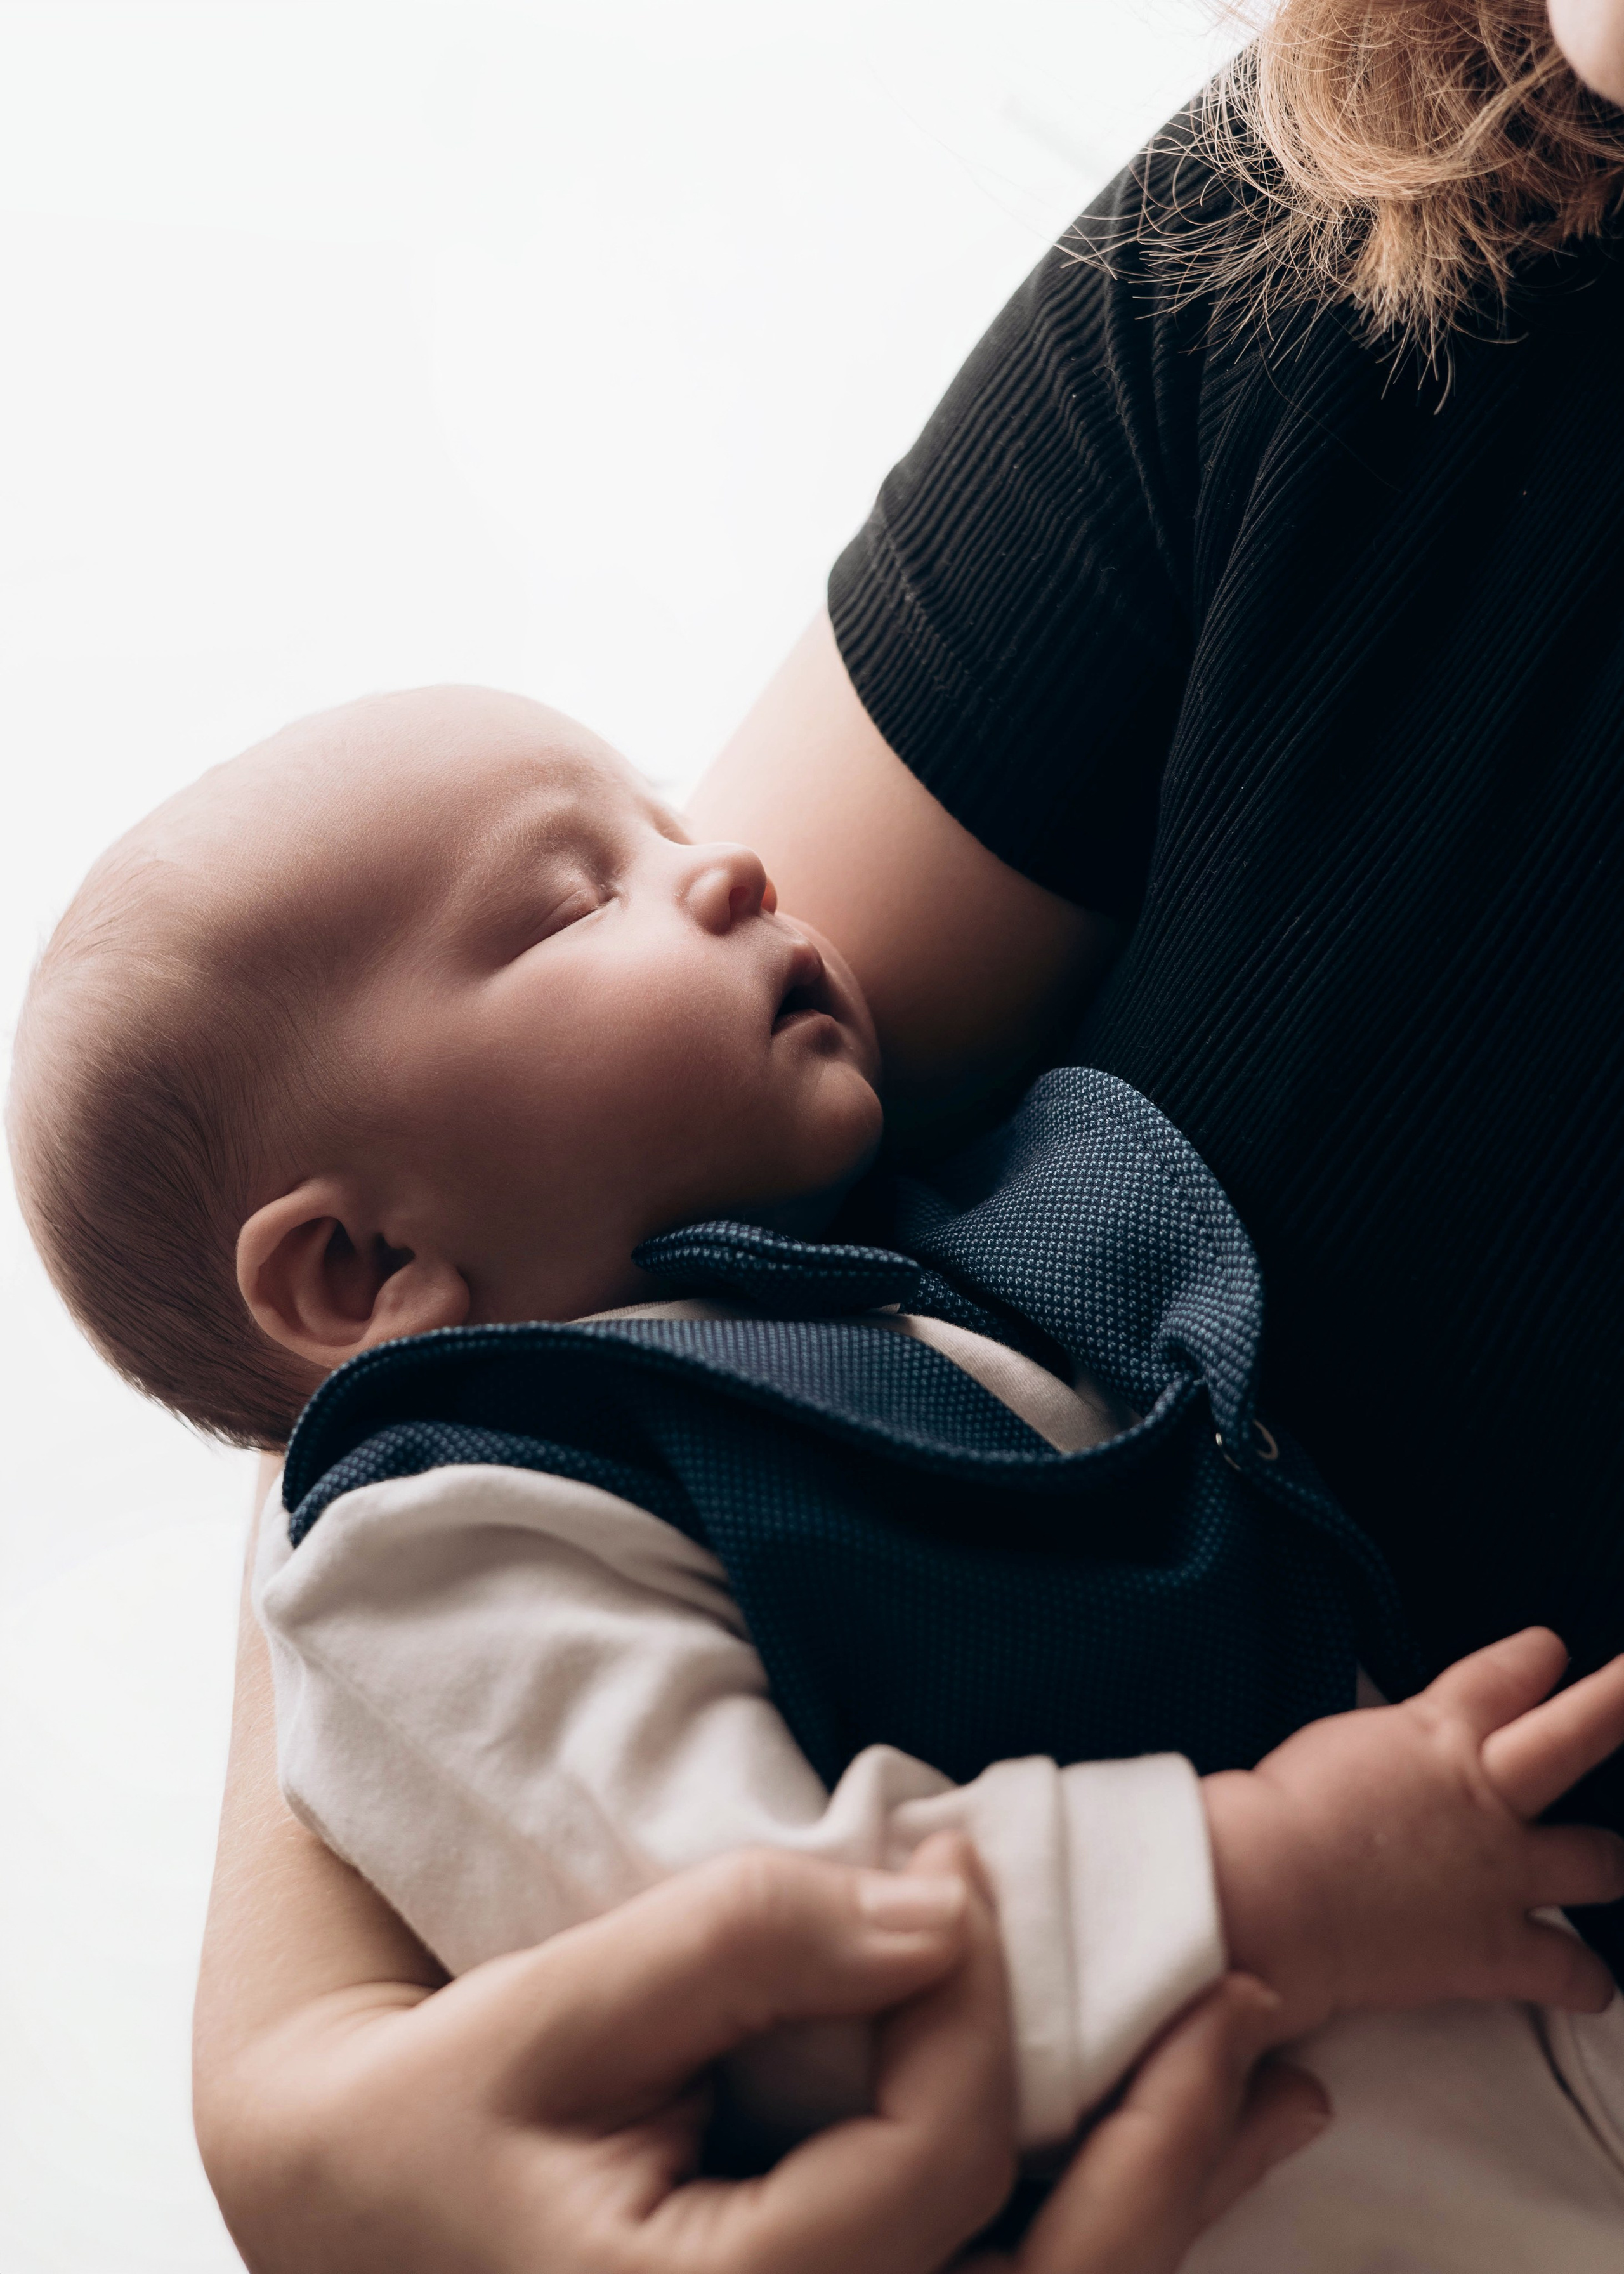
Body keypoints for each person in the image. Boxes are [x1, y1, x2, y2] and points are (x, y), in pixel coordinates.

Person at [11, 692, 1624, 2170]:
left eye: (662, 820)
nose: (727, 865)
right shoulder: (449, 1556)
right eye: (577, 898)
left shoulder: (872, 1286)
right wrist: (1272, 1874)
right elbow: (756, 1958)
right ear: (359, 1266)